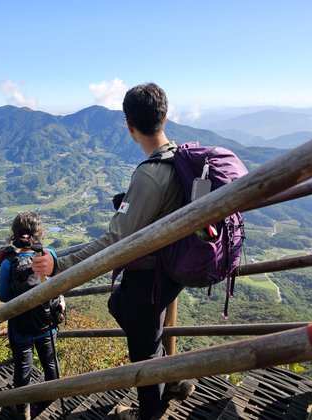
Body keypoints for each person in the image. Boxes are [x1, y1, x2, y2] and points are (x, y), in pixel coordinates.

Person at [33, 83, 194, 420]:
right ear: (165, 117)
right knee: (129, 312)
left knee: (143, 351)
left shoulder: (150, 175)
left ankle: (149, 412)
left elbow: (113, 242)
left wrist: (59, 263)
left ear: (129, 126)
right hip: (174, 271)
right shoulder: (180, 159)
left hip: (149, 277)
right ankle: (173, 377)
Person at [0, 211, 60, 420]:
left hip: (21, 328)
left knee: (24, 368)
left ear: (14, 233)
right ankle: (52, 397)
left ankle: (23, 409)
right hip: (47, 323)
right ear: (38, 232)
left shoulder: (10, 262)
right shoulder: (48, 254)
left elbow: (4, 296)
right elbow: (59, 281)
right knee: (50, 363)